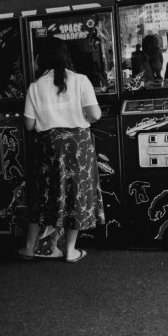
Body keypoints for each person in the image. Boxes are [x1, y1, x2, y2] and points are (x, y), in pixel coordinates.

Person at [18, 38, 105, 263]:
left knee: (43, 196)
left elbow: (28, 125)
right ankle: (70, 250)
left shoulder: (35, 86)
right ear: (66, 56)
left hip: (49, 149)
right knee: (75, 195)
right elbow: (95, 115)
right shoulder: (80, 81)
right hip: (78, 149)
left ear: (41, 59)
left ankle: (29, 248)